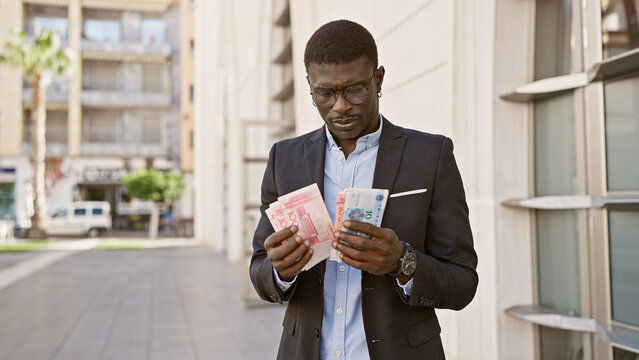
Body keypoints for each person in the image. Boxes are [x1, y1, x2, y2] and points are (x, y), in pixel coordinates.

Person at [250, 19, 478, 360]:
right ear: (310, 87)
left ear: (379, 79)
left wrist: (403, 262)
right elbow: (259, 268)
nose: (340, 107)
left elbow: (462, 282)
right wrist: (280, 272)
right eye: (324, 93)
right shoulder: (284, 158)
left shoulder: (430, 156)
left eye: (354, 89)